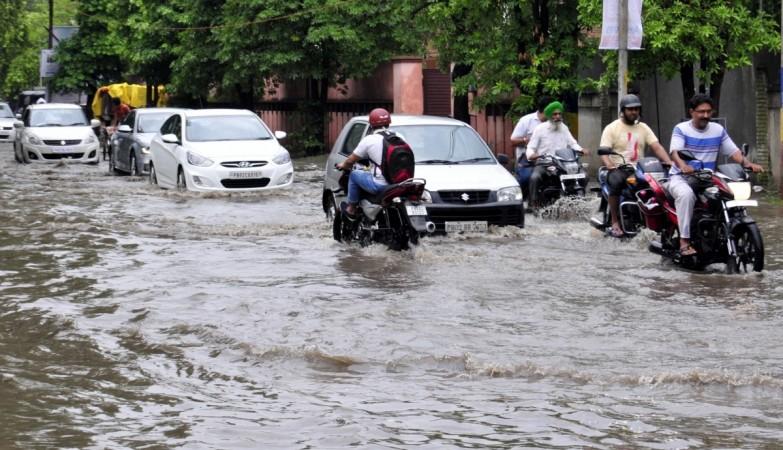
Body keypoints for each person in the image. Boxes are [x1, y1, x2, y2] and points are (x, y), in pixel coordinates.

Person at [667, 94, 763, 256]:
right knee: (686, 195)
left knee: (729, 192)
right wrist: (683, 166)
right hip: (681, 177)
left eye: (708, 112)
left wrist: (747, 164)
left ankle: (723, 231)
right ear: (692, 112)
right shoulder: (681, 129)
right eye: (701, 111)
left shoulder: (718, 130)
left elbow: (733, 152)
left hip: (708, 177)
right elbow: (675, 152)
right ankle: (684, 241)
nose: (705, 115)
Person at [599, 94, 673, 237]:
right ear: (623, 110)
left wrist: (669, 162)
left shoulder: (643, 128)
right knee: (615, 182)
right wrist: (609, 164)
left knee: (661, 187)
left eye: (636, 109)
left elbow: (656, 146)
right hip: (620, 168)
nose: (634, 112)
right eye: (630, 109)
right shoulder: (612, 128)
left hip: (640, 169)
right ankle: (615, 222)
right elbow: (604, 151)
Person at [526, 100, 586, 208]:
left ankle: (578, 201)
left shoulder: (564, 128)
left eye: (559, 114)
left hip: (563, 163)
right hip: (545, 163)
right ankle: (534, 203)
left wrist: (581, 150)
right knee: (535, 177)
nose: (558, 116)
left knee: (583, 175)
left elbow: (572, 143)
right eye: (554, 114)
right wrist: (531, 155)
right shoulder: (540, 129)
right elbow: (531, 147)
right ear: (549, 116)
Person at [336, 108, 392, 218]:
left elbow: (351, 160)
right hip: (398, 184)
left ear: (371, 125)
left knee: (354, 174)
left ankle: (352, 208)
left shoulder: (369, 140)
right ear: (389, 124)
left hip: (380, 184)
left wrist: (343, 165)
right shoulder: (398, 137)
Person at [510, 96, 551, 197]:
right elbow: (513, 141)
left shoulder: (553, 122)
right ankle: (520, 199)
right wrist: (526, 141)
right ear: (546, 110)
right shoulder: (526, 120)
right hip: (527, 159)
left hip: (547, 158)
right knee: (527, 177)